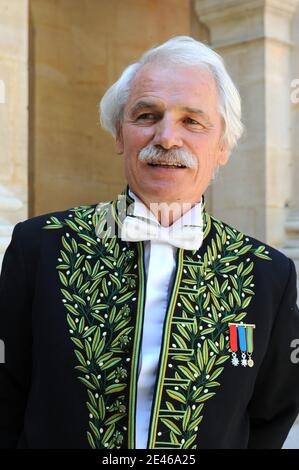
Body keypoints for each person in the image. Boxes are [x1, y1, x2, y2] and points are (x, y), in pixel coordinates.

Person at [0, 36, 299, 450]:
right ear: (120, 135)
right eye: (147, 115)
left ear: (223, 147)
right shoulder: (39, 247)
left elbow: (272, 413)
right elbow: (7, 391)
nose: (168, 137)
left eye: (192, 121)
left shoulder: (268, 273)